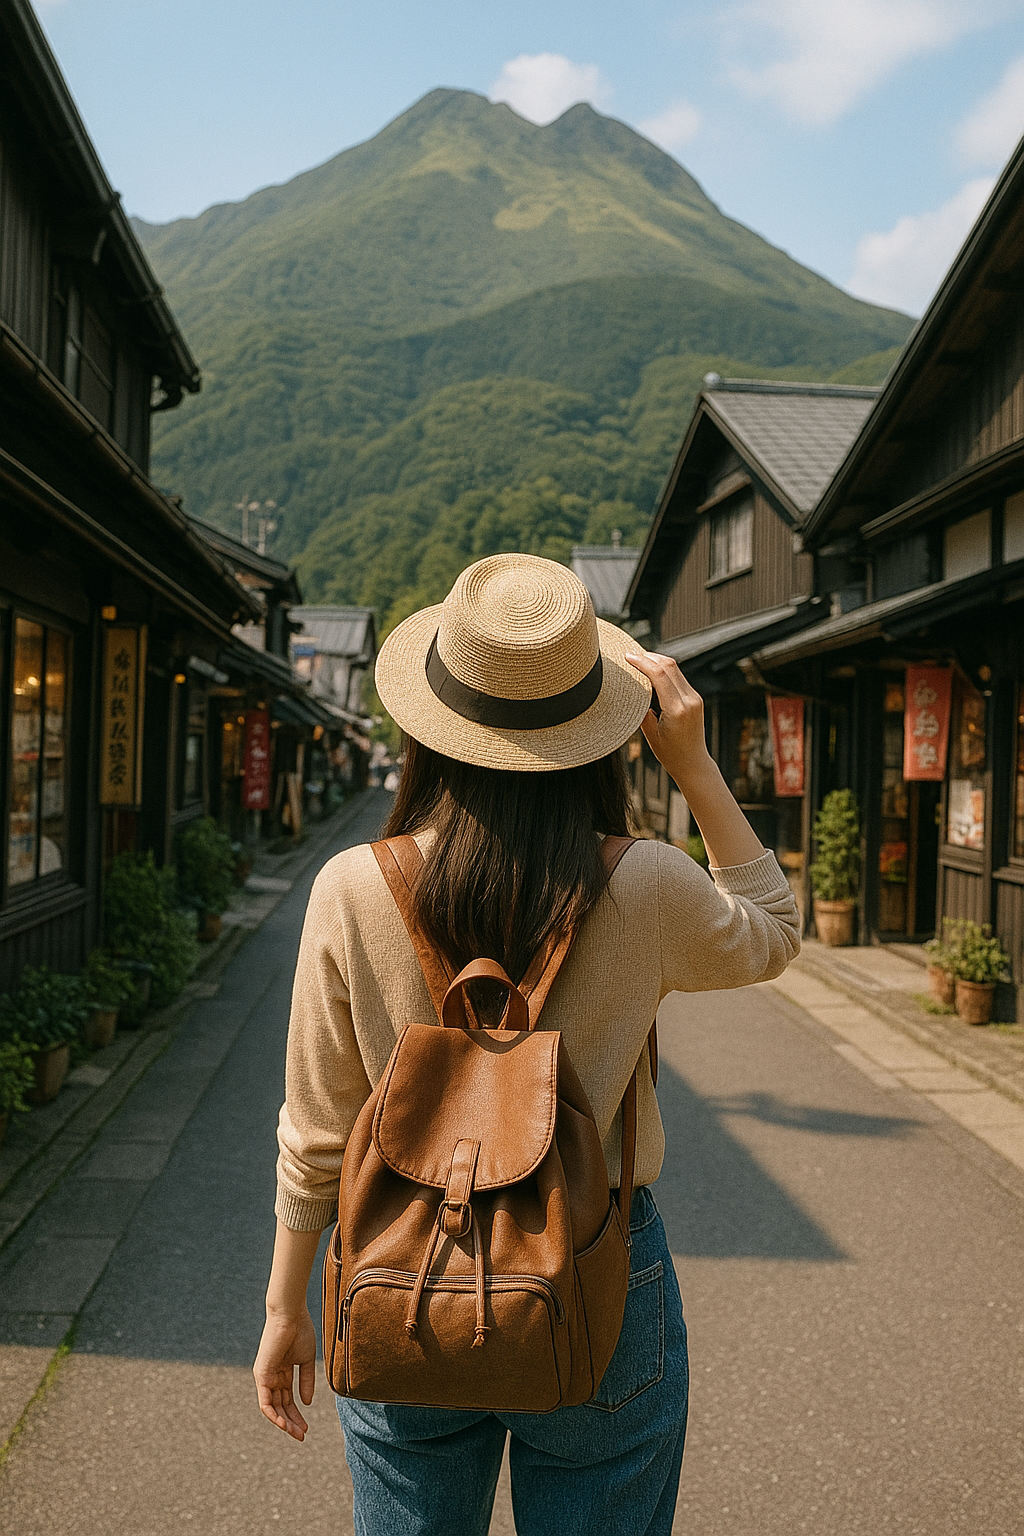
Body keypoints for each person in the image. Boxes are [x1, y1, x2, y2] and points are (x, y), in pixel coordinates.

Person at [254, 552, 800, 1535]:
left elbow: (317, 1130)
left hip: (397, 1265)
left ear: (431, 723)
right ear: (598, 732)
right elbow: (774, 929)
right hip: (598, 1265)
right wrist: (692, 762)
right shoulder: (646, 883)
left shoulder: (350, 886)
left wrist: (285, 1307)